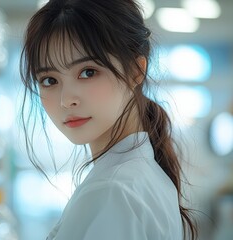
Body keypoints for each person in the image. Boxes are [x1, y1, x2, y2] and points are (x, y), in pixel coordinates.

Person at [19, 0, 197, 239]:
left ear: (136, 71)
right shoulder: (143, 176)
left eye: (87, 72)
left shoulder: (113, 190)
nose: (66, 100)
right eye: (49, 80)